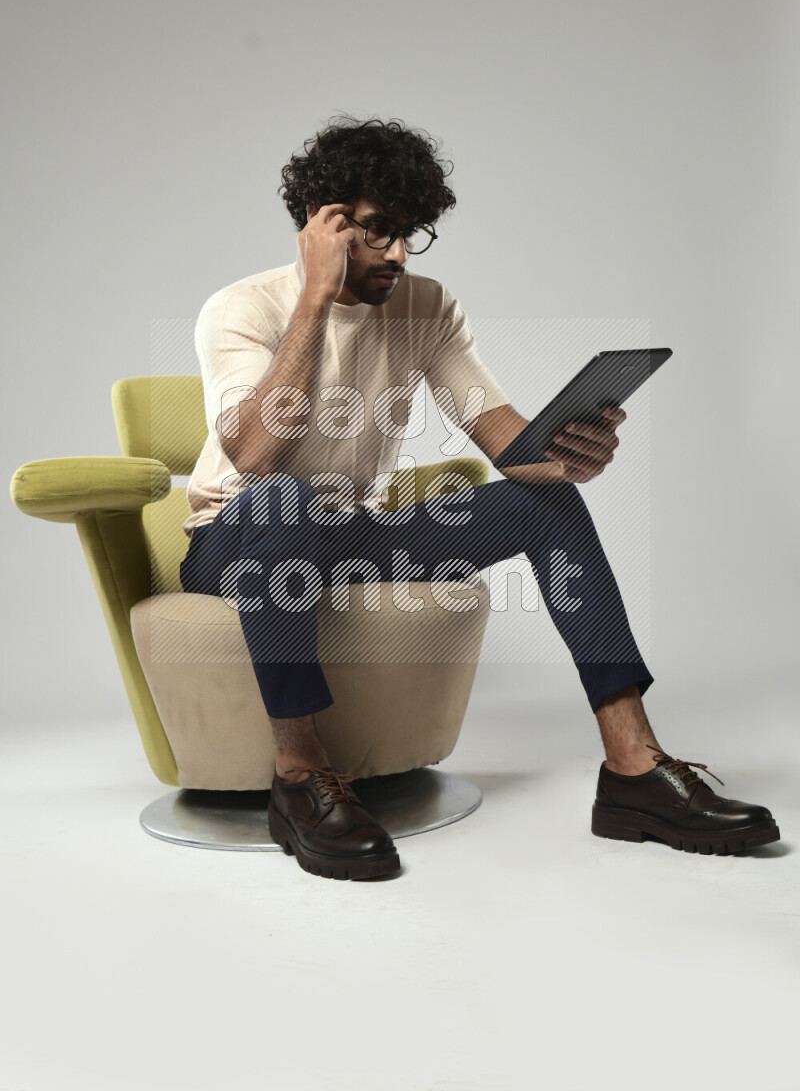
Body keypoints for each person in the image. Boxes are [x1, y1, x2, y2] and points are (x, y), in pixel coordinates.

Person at [180, 114, 780, 880]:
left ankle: (634, 768)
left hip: (348, 535)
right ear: (321, 227)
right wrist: (316, 302)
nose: (397, 252)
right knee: (283, 499)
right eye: (375, 231)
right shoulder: (242, 309)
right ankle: (300, 777)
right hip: (234, 539)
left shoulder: (425, 306)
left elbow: (502, 440)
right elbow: (257, 455)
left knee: (541, 505)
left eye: (411, 232)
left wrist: (567, 459)